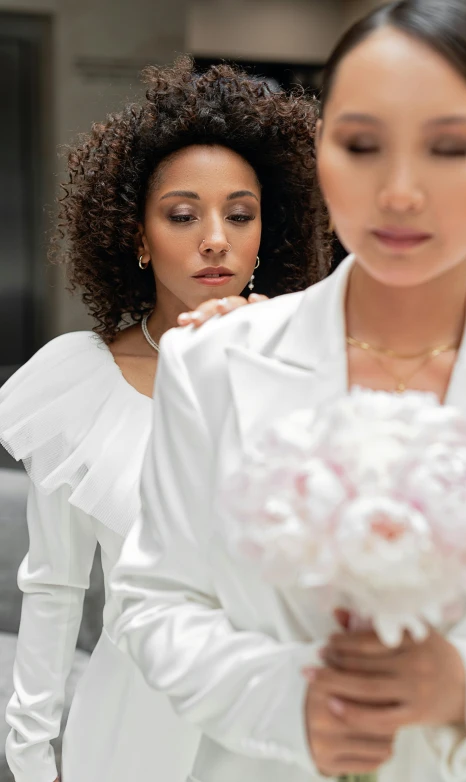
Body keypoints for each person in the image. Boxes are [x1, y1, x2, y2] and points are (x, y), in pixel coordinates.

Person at [110, 2, 466, 781]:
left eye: (449, 148)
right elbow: (155, 601)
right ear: (322, 153)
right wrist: (289, 704)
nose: (399, 192)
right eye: (361, 144)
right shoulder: (217, 365)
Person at [0, 59, 331, 782]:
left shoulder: (313, 371)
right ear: (139, 237)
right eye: (183, 215)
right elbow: (54, 589)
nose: (216, 238)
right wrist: (29, 759)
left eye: (239, 214)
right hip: (129, 734)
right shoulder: (79, 384)